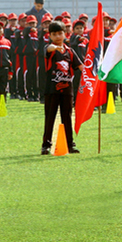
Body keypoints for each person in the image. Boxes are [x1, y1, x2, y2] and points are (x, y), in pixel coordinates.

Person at [40, 20, 81, 155]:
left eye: (60, 33)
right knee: (50, 117)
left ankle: (70, 144)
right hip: (52, 90)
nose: (58, 36)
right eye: (54, 34)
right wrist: (55, 48)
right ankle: (46, 145)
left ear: (65, 34)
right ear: (50, 36)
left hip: (67, 91)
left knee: (67, 118)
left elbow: (80, 67)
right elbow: (48, 49)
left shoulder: (70, 51)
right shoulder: (49, 49)